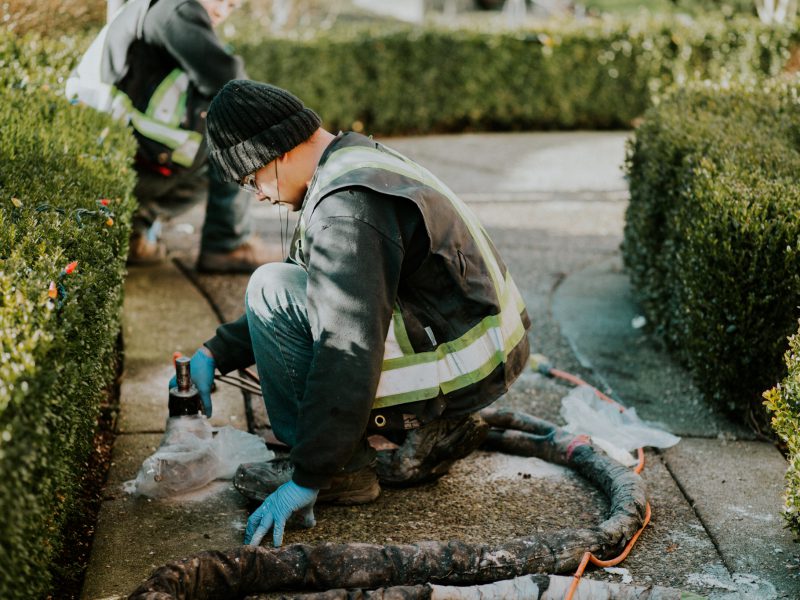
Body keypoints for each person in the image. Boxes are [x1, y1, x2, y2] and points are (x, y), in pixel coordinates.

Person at [179, 80, 531, 547]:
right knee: (281, 288)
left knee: (268, 286)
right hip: (476, 352)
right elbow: (313, 289)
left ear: (274, 151)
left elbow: (347, 347)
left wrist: (311, 473)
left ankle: (346, 471)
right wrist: (214, 353)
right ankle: (427, 431)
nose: (257, 196)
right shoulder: (350, 160)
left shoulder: (346, 211)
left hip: (457, 368)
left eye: (250, 180)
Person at [65, 0, 279, 272]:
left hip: (109, 146)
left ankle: (133, 229)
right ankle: (228, 244)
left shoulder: (152, 7)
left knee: (214, 154)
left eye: (231, 7)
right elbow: (231, 82)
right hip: (113, 154)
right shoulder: (176, 9)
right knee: (237, 133)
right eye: (221, 1)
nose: (221, 12)